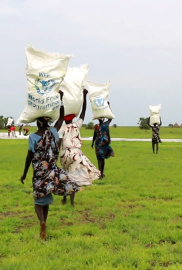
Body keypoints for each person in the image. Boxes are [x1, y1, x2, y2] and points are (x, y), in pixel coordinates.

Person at [20, 91, 81, 239]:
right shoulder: (53, 132)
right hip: (52, 171)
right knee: (46, 199)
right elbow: (61, 117)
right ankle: (44, 222)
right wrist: (60, 99)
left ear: (37, 122)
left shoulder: (33, 137)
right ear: (47, 122)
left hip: (39, 172)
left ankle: (41, 221)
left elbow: (29, 156)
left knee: (37, 199)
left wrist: (24, 173)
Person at [59, 89, 101, 207]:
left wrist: (61, 98)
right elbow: (83, 112)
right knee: (73, 178)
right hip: (76, 155)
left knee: (65, 175)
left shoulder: (61, 127)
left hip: (64, 155)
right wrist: (84, 96)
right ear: (72, 118)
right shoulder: (77, 125)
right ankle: (71, 201)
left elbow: (60, 114)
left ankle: (64, 198)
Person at [91, 104, 114, 179]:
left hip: (100, 144)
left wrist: (108, 106)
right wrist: (108, 106)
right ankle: (101, 173)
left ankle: (100, 173)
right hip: (101, 144)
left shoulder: (100, 125)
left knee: (100, 159)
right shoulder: (103, 125)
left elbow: (94, 135)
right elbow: (110, 117)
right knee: (101, 159)